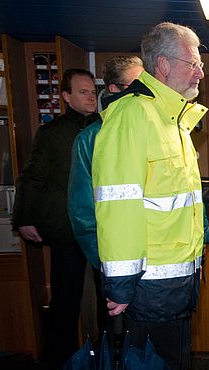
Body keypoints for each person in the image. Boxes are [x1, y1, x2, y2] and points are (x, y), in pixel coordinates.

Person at [91, 23, 209, 370]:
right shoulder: (132, 117)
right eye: (193, 62)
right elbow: (118, 207)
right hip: (147, 290)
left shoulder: (172, 119)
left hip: (177, 284)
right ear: (163, 66)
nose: (200, 71)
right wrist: (120, 287)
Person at [12, 68, 98, 370]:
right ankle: (64, 368)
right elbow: (33, 177)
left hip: (102, 229)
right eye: (83, 92)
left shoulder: (107, 128)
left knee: (110, 299)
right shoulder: (52, 133)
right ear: (66, 96)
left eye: (93, 92)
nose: (91, 97)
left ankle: (110, 364)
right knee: (66, 299)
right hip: (66, 227)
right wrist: (24, 217)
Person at [69, 55, 144, 268]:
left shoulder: (157, 132)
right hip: (115, 256)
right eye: (136, 88)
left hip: (157, 258)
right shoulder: (90, 139)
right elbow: (82, 211)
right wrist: (103, 262)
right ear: (113, 89)